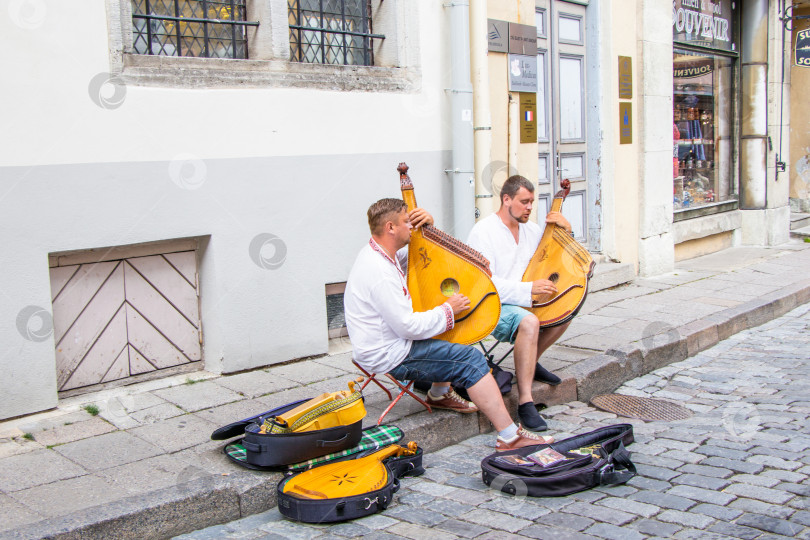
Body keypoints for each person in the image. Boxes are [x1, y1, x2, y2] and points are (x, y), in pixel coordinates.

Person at [344, 198, 553, 451]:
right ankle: (510, 436)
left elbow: (422, 259)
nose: (412, 227)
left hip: (387, 342)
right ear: (390, 227)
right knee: (472, 360)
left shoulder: (380, 253)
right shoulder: (377, 271)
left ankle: (439, 393)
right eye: (407, 222)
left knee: (449, 328)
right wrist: (447, 310)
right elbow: (408, 327)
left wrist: (430, 227)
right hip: (390, 354)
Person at [467, 174, 574, 433]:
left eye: (532, 202)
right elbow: (485, 284)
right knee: (529, 321)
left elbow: (555, 257)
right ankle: (526, 401)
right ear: (506, 199)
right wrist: (529, 290)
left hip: (526, 299)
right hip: (492, 305)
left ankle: (529, 360)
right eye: (524, 202)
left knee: (566, 310)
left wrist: (567, 230)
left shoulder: (532, 230)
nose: (529, 208)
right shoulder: (484, 232)